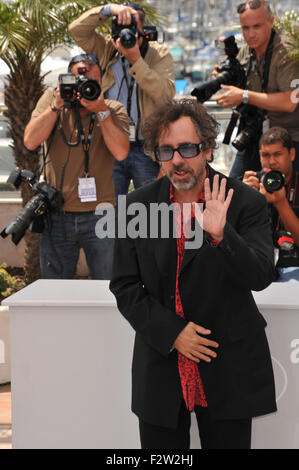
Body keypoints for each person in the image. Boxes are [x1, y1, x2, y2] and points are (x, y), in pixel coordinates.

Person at [109, 98, 277, 449]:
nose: (178, 160)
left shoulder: (245, 202)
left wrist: (221, 235)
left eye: (187, 147)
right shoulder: (139, 206)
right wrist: (173, 334)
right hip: (161, 368)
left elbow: (261, 275)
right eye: (167, 150)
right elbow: (125, 286)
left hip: (228, 366)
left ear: (208, 149)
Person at [23, 54, 130, 280]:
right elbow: (31, 141)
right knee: (56, 288)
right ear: (66, 81)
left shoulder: (112, 109)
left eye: (91, 82)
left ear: (101, 84)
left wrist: (101, 111)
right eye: (77, 80)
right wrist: (56, 105)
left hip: (101, 214)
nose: (83, 88)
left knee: (108, 286)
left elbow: (121, 152)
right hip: (57, 213)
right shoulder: (52, 102)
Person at [69, 2, 175, 199]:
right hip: (111, 144)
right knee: (110, 209)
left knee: (150, 209)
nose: (125, 34)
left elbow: (165, 94)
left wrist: (137, 60)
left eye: (131, 28)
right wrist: (109, 10)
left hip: (145, 148)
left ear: (142, 29)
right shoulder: (107, 50)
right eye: (119, 28)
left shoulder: (157, 53)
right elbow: (77, 30)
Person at [214, 0, 299, 178]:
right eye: (245, 28)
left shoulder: (285, 51)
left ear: (271, 21)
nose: (251, 34)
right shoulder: (246, 52)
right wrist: (223, 78)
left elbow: (290, 101)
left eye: (257, 26)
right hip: (254, 136)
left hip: (289, 140)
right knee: (235, 190)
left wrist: (244, 96)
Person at [243, 126, 299, 282]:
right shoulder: (251, 185)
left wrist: (281, 203)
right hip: (260, 265)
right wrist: (242, 197)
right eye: (266, 155)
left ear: (292, 154)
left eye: (278, 154)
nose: (272, 162)